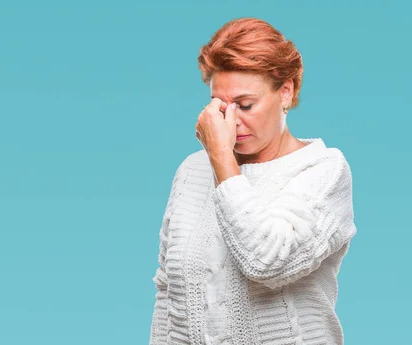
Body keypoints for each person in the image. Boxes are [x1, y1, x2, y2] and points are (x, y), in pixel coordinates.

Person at [148, 17, 357, 345]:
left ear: (285, 92)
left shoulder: (323, 171)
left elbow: (266, 261)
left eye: (245, 105)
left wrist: (220, 157)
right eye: (221, 106)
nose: (231, 121)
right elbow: (169, 295)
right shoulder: (191, 172)